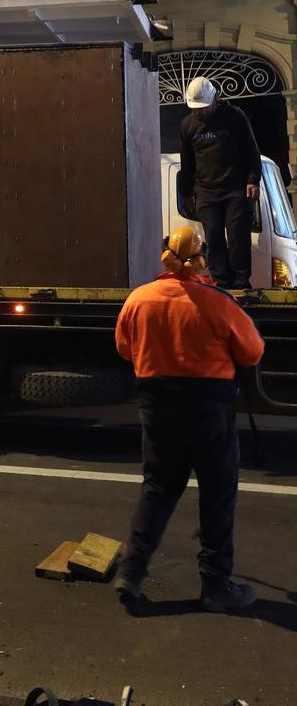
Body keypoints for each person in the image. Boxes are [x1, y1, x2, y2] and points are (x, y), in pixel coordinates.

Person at [114, 225, 264, 614]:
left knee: (158, 488)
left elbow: (124, 348)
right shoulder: (218, 301)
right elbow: (251, 352)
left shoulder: (139, 299)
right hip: (208, 409)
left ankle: (131, 573)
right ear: (199, 260)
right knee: (217, 492)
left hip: (157, 406)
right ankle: (215, 585)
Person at [179, 76, 261, 289]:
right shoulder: (188, 126)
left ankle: (241, 282)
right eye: (196, 109)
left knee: (238, 236)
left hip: (235, 188)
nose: (200, 112)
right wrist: (187, 194)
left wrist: (253, 180)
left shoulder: (234, 117)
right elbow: (187, 163)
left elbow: (251, 149)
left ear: (215, 99)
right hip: (206, 191)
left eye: (204, 108)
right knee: (213, 237)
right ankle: (222, 283)